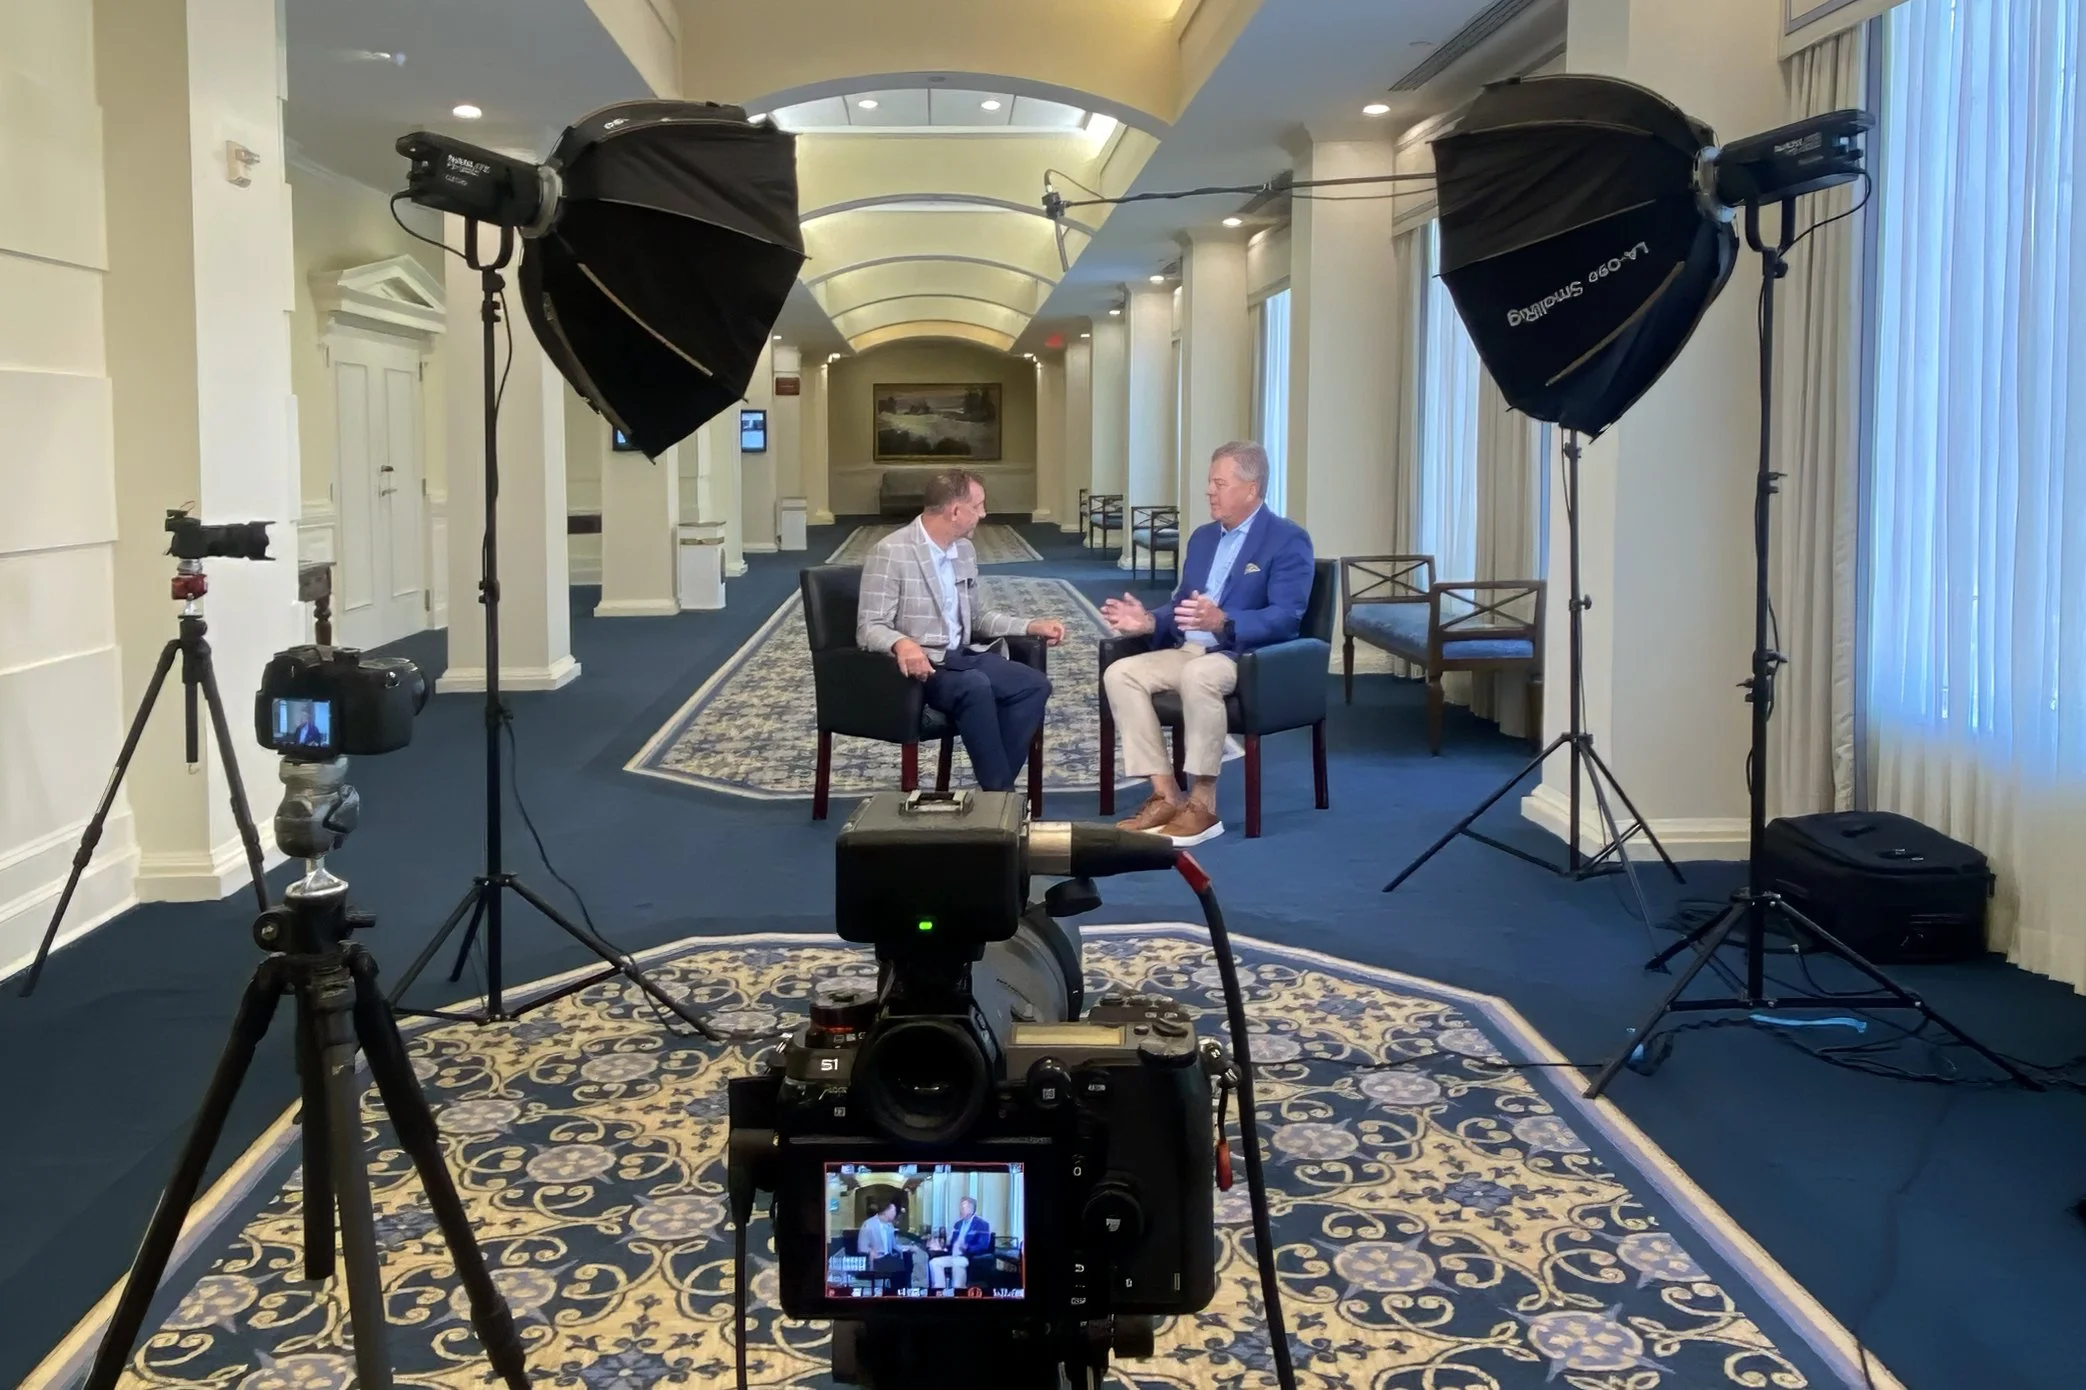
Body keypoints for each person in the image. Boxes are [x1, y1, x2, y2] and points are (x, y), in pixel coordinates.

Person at [1100, 441, 1315, 845]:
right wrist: (1148, 620)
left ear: (1251, 489)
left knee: (1199, 674)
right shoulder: (1202, 538)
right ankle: (1166, 794)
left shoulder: (1287, 540)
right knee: (1120, 673)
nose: (1209, 492)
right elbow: (1181, 604)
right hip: (1188, 649)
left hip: (1242, 654)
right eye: (1209, 483)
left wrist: (1226, 621)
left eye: (1220, 483)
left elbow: (1287, 616)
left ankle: (1203, 802)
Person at [857, 470, 1066, 792]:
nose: (983, 514)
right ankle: (1001, 796)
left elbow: (978, 617)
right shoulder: (891, 552)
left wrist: (1029, 625)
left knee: (1033, 684)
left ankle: (996, 790)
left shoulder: (963, 551)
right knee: (975, 686)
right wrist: (901, 643)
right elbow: (869, 627)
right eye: (978, 506)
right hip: (922, 667)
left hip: (962, 656)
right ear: (955, 511)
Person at [928, 1196, 993, 1291]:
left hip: (969, 1257)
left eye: (963, 1208)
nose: (960, 1210)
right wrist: (941, 1247)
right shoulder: (957, 1224)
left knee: (958, 1263)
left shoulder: (982, 1224)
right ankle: (940, 1291)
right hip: (954, 1256)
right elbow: (952, 1244)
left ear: (971, 1209)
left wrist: (966, 1247)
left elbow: (983, 1245)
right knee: (934, 1263)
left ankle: (959, 1292)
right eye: (960, 1207)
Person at [856, 1202, 911, 1288]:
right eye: (894, 1211)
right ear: (886, 1211)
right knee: (899, 1270)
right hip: (877, 1260)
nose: (895, 1214)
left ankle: (901, 1292)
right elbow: (861, 1247)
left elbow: (894, 1246)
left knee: (907, 1262)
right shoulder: (868, 1224)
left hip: (888, 1259)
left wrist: (908, 1248)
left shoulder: (890, 1226)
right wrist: (870, 1251)